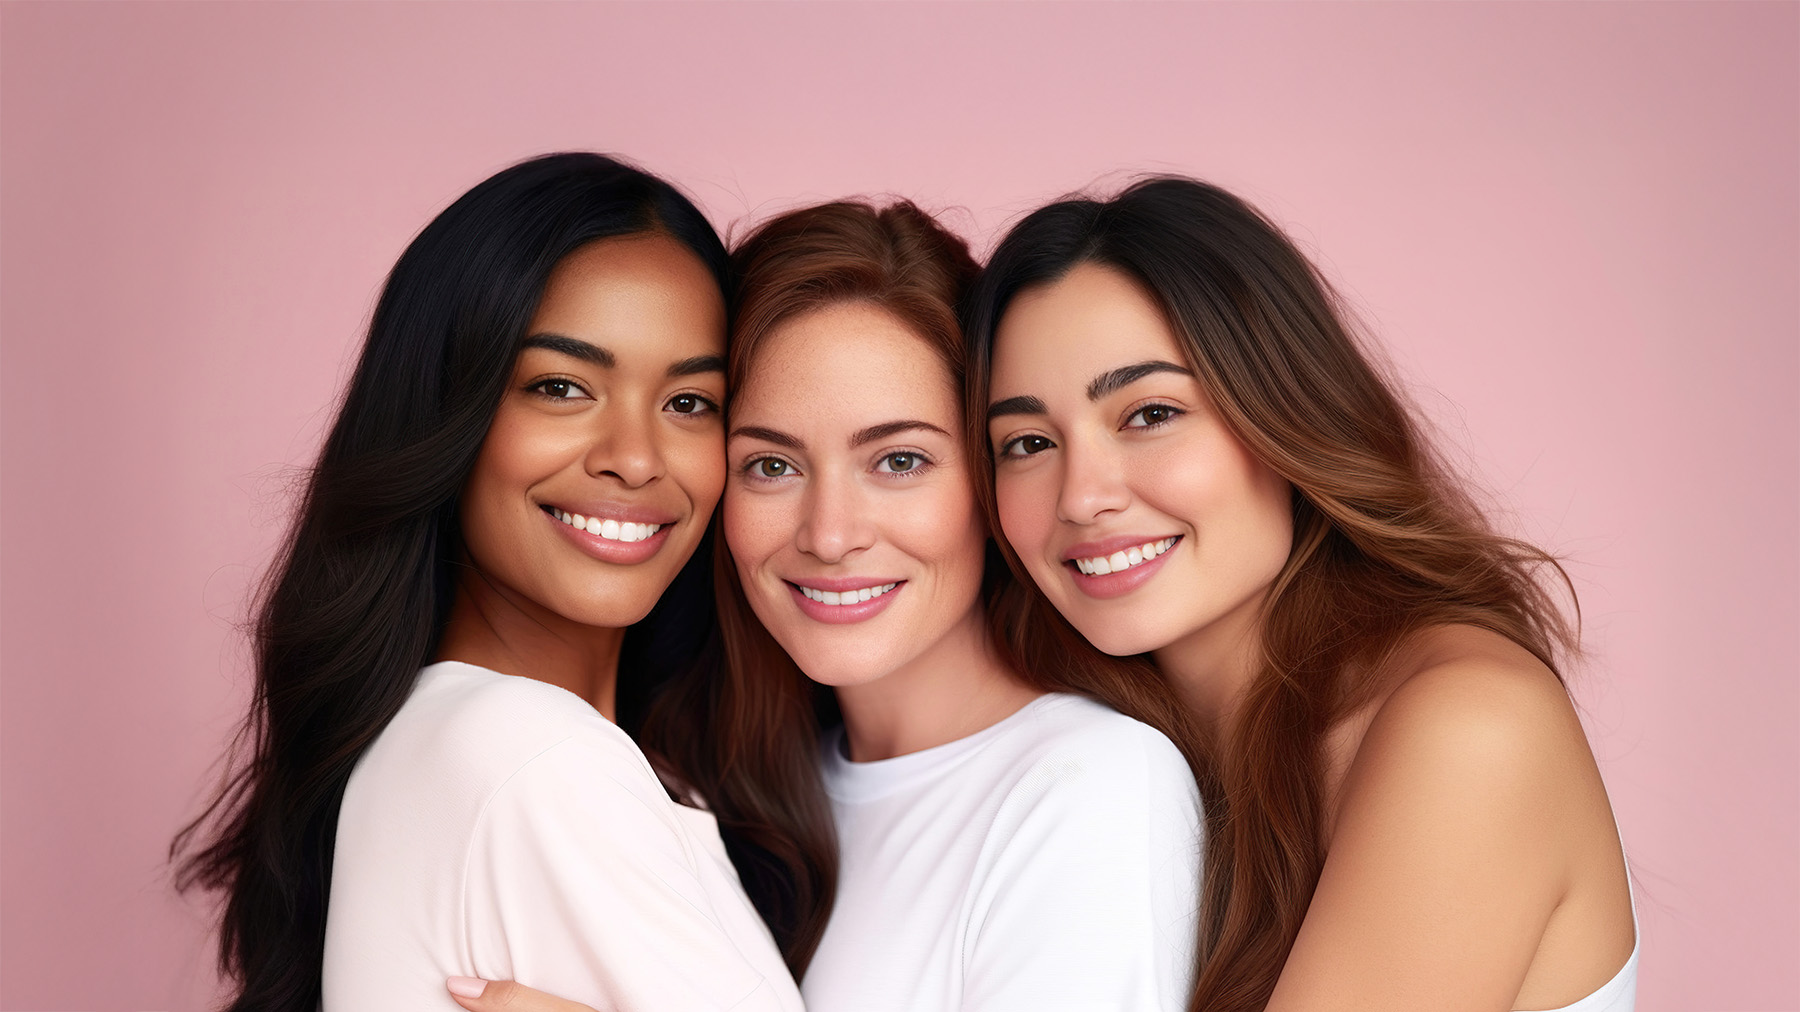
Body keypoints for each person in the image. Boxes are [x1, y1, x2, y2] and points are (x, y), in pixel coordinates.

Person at [448, 200, 1204, 1012]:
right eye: (772, 466)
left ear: (988, 480)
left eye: (899, 460)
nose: (830, 535)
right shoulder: (722, 787)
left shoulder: (1092, 786)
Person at [966, 177, 1637, 1012]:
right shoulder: (1109, 755)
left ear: (1283, 410)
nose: (1081, 496)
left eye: (1150, 414)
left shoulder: (1468, 727)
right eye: (1028, 442)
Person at [172, 153, 810, 1012]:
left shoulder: (468, 746)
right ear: (450, 414)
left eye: (689, 402)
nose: (634, 458)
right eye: (561, 387)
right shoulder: (534, 756)